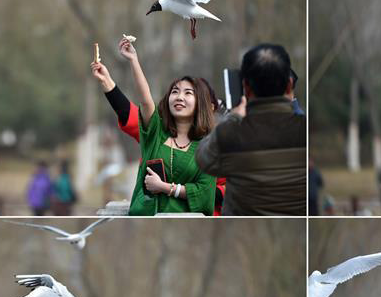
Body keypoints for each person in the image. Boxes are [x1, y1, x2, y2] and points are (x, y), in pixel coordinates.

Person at [91, 38, 216, 215]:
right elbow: (146, 100)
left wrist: (166, 188)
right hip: (144, 218)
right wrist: (133, 60)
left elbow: (205, 195)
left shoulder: (207, 150)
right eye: (175, 91)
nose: (179, 97)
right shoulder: (156, 133)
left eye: (188, 93)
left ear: (201, 104)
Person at [195, 44, 306, 216]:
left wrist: (233, 117)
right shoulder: (305, 129)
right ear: (290, 85)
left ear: (245, 87)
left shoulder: (231, 133)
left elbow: (203, 158)